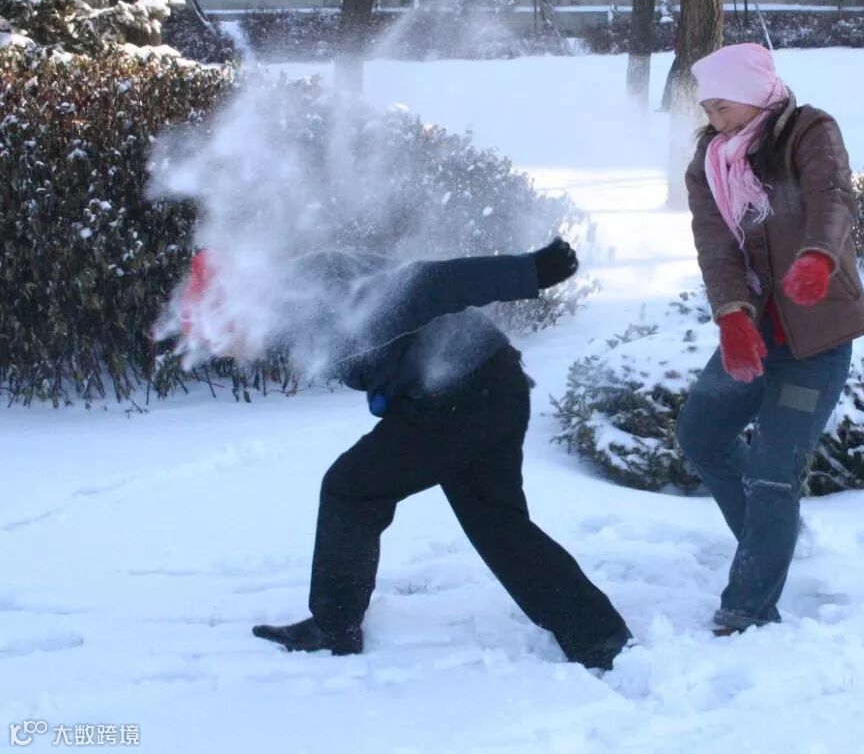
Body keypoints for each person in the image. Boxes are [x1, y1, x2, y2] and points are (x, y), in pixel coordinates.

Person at [180, 241, 632, 671]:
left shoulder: (317, 293)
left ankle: (335, 627)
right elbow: (380, 351)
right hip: (485, 386)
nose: (227, 351)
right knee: (496, 522)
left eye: (221, 336)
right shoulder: (293, 301)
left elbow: (429, 284)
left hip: (460, 395)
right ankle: (597, 634)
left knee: (350, 489)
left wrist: (528, 271)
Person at [676, 44, 864, 637]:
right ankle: (769, 535)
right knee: (701, 435)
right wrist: (732, 317)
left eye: (724, 106)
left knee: (773, 469)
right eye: (708, 109)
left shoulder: (808, 131)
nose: (716, 119)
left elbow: (832, 196)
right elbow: (715, 242)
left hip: (816, 339)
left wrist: (818, 257)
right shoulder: (710, 159)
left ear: (753, 93)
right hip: (755, 334)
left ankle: (748, 607)